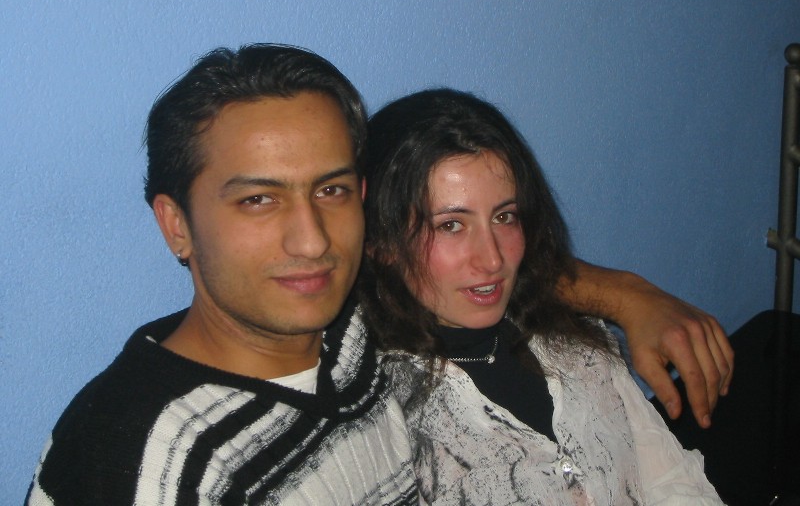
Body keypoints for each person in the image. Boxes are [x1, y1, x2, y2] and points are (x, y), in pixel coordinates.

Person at [26, 44, 730, 505]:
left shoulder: (344, 338)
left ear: (366, 208)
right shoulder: (146, 462)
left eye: (330, 190)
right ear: (176, 224)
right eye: (259, 200)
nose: (312, 240)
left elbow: (492, 276)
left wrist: (631, 295)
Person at [360, 88, 724, 504]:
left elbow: (672, 482)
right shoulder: (383, 418)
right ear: (382, 243)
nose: (493, 258)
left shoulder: (574, 344)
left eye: (504, 217)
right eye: (451, 225)